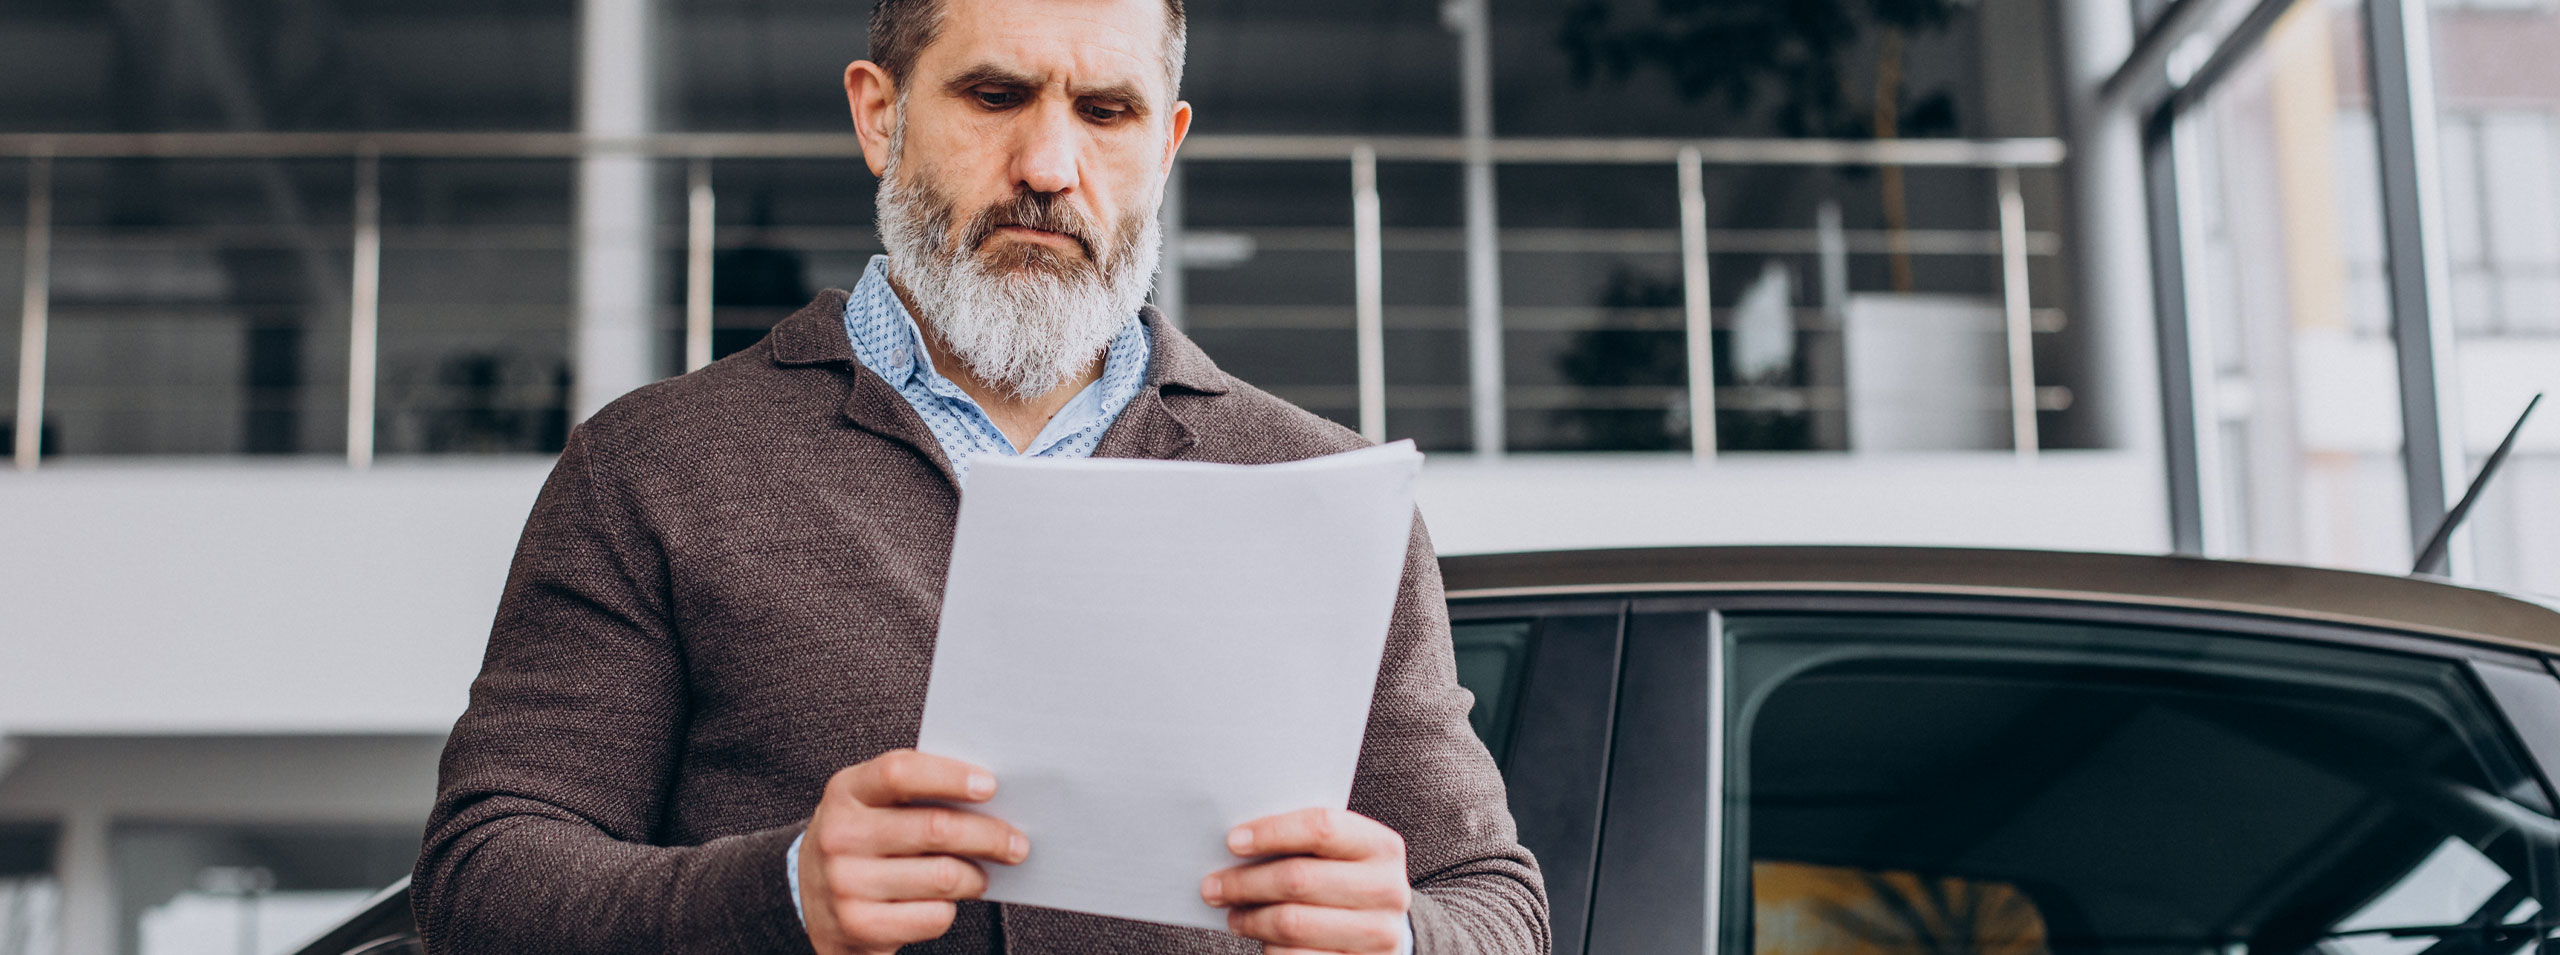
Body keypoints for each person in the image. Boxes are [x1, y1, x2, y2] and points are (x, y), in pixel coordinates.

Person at [411, 0, 1549, 952]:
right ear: (878, 112)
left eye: (1107, 113)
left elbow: (1496, 902)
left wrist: (1403, 932)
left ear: (1164, 146)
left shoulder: (1321, 490)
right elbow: (479, 877)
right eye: (995, 96)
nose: (1050, 168)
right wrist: (781, 891)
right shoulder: (653, 464)